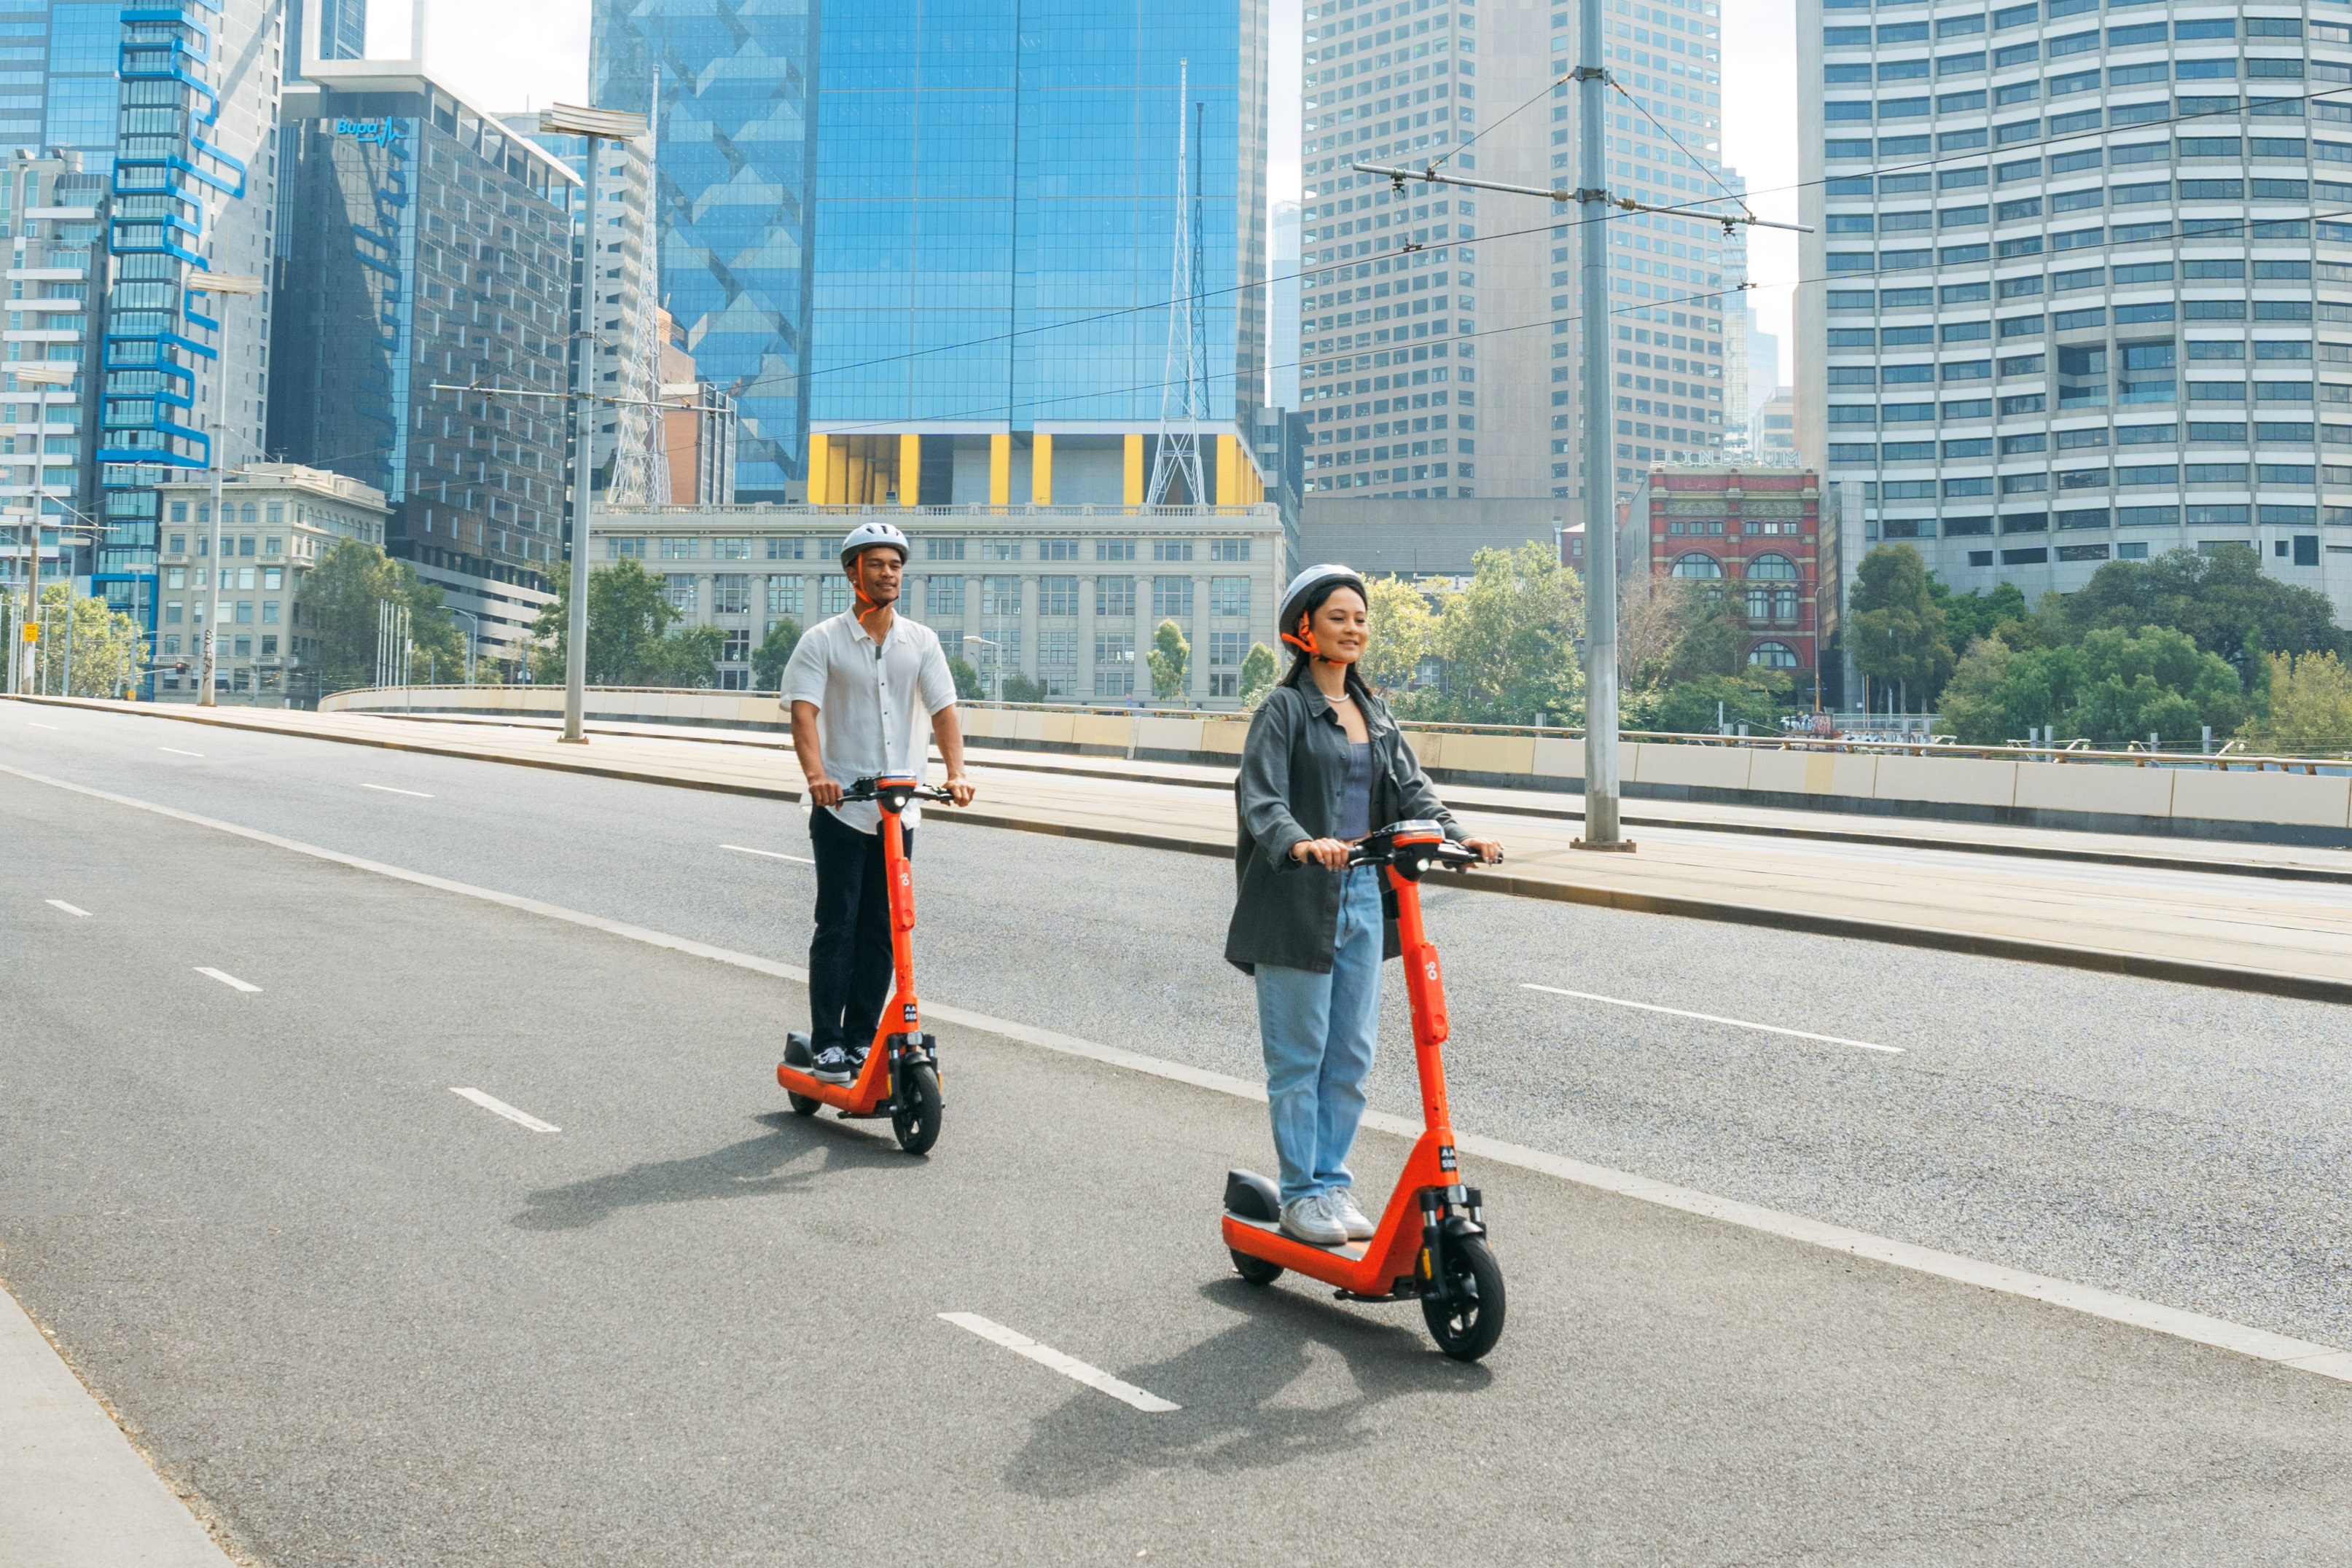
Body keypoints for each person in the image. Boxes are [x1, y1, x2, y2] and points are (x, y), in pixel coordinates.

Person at [1224, 564, 1503, 1246]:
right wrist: (1299, 844)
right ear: (1304, 629)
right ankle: (1300, 1195)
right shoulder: (1282, 710)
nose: (1354, 629)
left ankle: (1333, 1182)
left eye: (1360, 618)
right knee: (1299, 1056)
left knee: (1349, 1052)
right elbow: (1260, 799)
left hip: (1363, 896)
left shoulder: (1373, 711)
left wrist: (1458, 837)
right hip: (1296, 896)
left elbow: (1413, 791)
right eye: (1338, 618)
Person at [782, 520, 976, 1083]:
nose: (888, 573)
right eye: (876, 564)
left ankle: (865, 1035)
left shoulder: (922, 642)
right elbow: (803, 714)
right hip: (842, 806)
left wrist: (957, 773)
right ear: (852, 572)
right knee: (837, 924)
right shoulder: (822, 641)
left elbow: (943, 711)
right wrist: (817, 776)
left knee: (884, 928)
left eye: (895, 565)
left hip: (899, 810)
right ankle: (829, 1043)